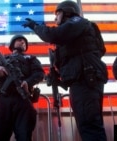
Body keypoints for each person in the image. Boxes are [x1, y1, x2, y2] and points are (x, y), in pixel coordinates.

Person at [22, 0, 108, 141]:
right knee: (87, 125)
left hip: (86, 79)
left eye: (58, 14)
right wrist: (57, 76)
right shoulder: (74, 34)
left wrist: (35, 26)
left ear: (67, 12)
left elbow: (54, 35)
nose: (55, 18)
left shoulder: (77, 21)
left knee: (90, 126)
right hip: (82, 80)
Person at [0, 34, 45, 141]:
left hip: (23, 99)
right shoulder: (3, 59)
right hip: (4, 100)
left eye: (24, 42)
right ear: (12, 44)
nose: (22, 42)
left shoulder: (31, 58)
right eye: (20, 40)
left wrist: (28, 82)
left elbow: (39, 74)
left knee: (24, 135)